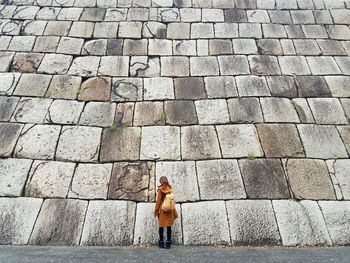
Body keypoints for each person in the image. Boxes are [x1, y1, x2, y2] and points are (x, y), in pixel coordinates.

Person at [154, 176, 178, 249]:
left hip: (163, 210)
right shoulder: (170, 188)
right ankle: (168, 243)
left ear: (161, 182)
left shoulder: (160, 190)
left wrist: (156, 210)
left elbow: (158, 202)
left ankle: (161, 242)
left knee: (161, 226)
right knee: (168, 227)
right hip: (169, 210)